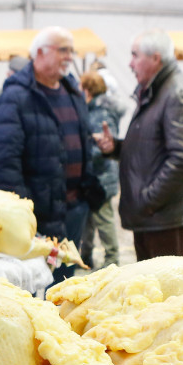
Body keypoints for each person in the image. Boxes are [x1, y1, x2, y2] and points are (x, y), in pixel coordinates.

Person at [0, 27, 99, 284]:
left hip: (73, 209)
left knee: (65, 284)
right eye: (63, 50)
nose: (69, 56)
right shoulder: (16, 97)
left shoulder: (72, 92)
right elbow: (4, 162)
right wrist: (20, 215)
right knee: (33, 285)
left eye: (71, 50)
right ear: (39, 52)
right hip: (38, 215)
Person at [93, 29, 183, 261]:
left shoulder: (177, 94)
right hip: (154, 217)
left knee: (165, 293)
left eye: (135, 55)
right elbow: (151, 147)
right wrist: (116, 147)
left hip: (165, 218)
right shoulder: (156, 90)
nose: (130, 64)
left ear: (155, 58)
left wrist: (148, 200)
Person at [79, 71, 121, 269]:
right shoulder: (96, 108)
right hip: (96, 175)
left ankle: (112, 260)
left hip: (101, 176)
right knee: (88, 219)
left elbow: (104, 144)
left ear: (87, 89)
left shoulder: (100, 111)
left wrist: (82, 154)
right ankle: (85, 256)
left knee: (104, 220)